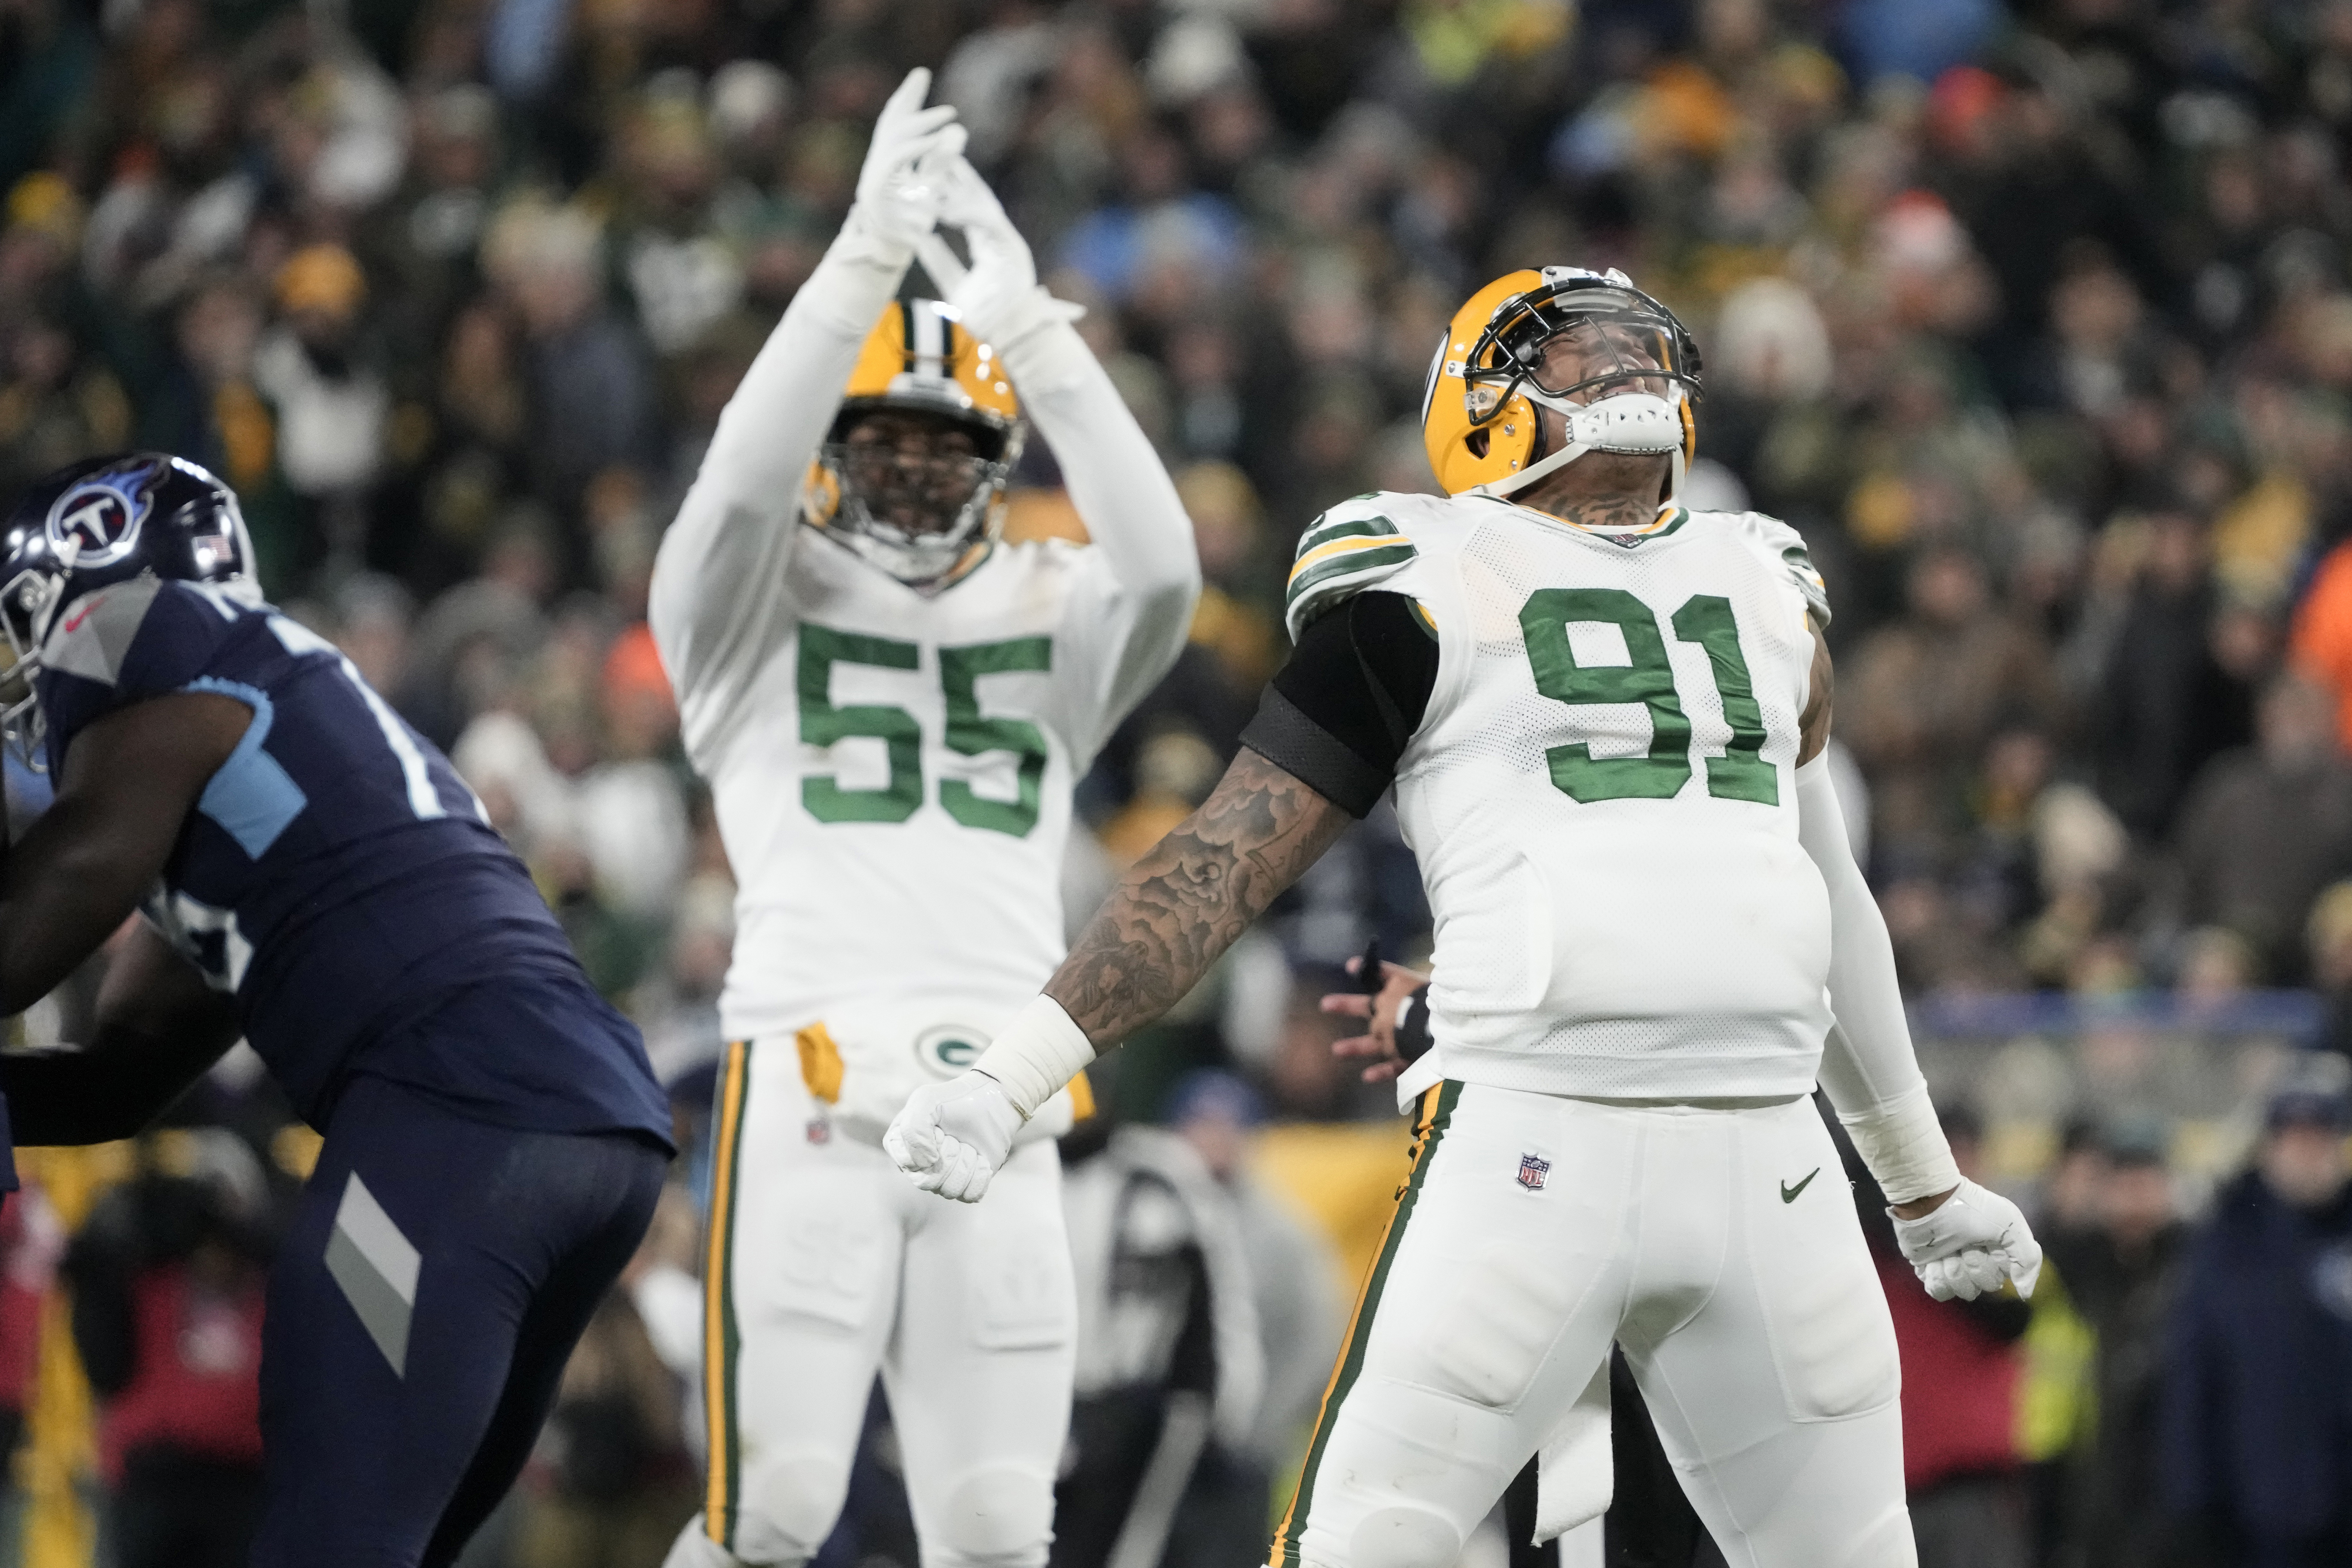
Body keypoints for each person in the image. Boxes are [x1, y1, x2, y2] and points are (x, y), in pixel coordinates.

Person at [886, 266, 2045, 1567]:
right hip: (1538, 1136)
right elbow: (1222, 858)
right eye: (1576, 357)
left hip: (1773, 1152)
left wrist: (1922, 1185)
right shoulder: (1416, 578)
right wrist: (1013, 1071)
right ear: (1475, 407)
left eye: (1636, 348)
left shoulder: (1764, 575)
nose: (1620, 372)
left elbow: (1829, 896)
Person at [647, 69, 1199, 1568]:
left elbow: (1163, 566)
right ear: (832, 444)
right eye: (879, 438)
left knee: (998, 1529)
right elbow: (738, 483)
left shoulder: (1052, 600)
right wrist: (856, 268)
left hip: (1006, 1089)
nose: (906, 469)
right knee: (768, 1511)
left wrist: (1036, 338)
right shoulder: (746, 604)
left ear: (994, 470)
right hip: (812, 1059)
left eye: (944, 446)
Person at [0, 451, 675, 1567]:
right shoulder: (267, 756)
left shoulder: (158, 647)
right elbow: (120, 1072)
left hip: (456, 1121)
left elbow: (58, 886)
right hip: (580, 1133)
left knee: (331, 1543)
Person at [2162, 1054, 2352, 1567]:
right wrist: (2193, 1501)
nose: (2309, 1152)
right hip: (2262, 1508)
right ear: (2270, 1146)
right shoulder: (2228, 1244)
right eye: (2295, 1137)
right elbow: (2196, 1380)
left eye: (2321, 1137)